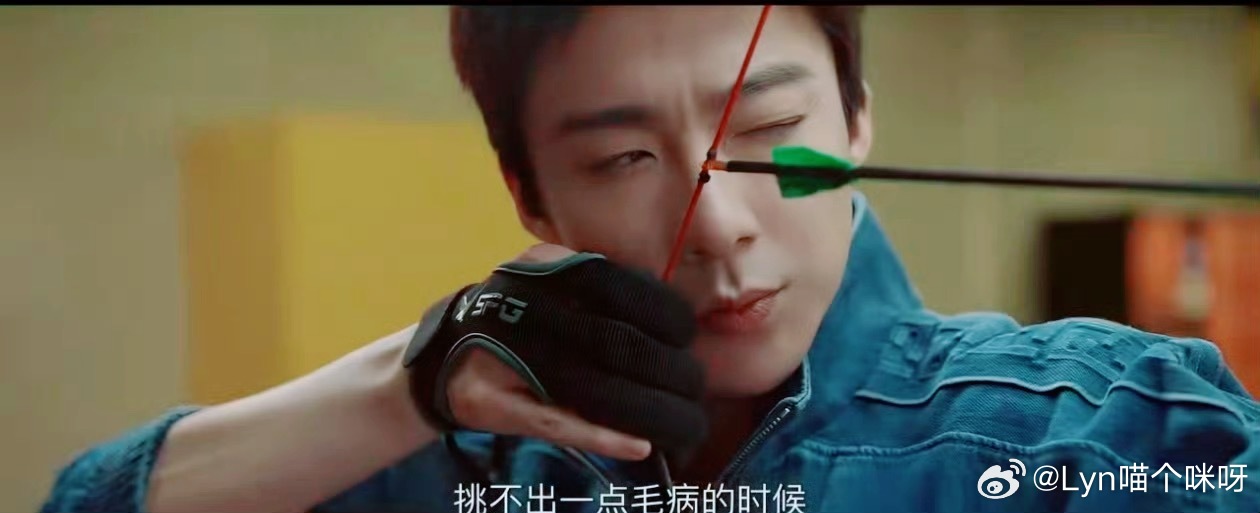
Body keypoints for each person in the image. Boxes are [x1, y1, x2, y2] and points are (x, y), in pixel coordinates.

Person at [40, 6, 1260, 513]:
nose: (718, 223)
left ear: (857, 117)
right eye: (623, 157)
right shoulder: (462, 469)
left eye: (767, 129)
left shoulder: (1104, 434)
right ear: (530, 194)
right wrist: (404, 386)